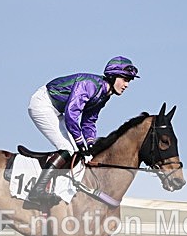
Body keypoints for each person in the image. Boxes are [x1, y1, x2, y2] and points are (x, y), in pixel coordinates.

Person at [25, 56, 139, 206]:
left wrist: (90, 144)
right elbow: (72, 115)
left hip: (57, 111)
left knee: (76, 153)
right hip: (43, 104)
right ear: (113, 75)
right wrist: (80, 142)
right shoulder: (89, 85)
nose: (126, 85)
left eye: (129, 81)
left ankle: (57, 187)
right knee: (67, 149)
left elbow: (89, 121)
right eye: (125, 79)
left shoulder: (105, 95)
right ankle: (37, 191)